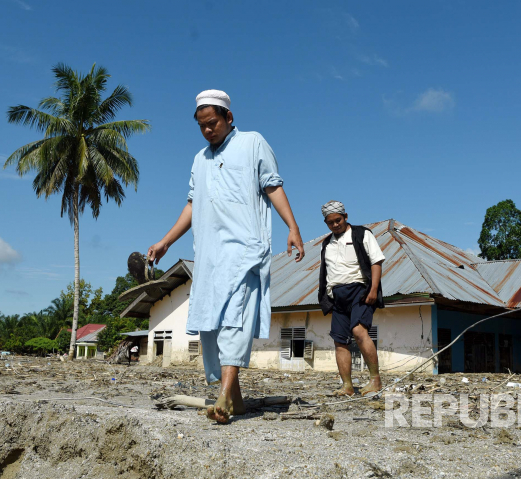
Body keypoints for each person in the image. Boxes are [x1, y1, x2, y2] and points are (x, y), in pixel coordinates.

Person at [148, 90, 304, 423]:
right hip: (209, 255)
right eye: (202, 126)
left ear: (229, 117)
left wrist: (292, 226)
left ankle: (223, 399)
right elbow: (192, 204)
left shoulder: (253, 143)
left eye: (213, 123)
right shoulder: (199, 159)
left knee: (235, 318)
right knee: (209, 325)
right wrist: (165, 242)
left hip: (244, 249)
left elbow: (272, 186)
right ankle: (236, 399)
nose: (208, 131)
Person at [317, 201, 385, 396]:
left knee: (359, 330)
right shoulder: (326, 243)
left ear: (345, 216)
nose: (335, 225)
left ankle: (375, 380)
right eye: (330, 222)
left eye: (338, 220)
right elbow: (326, 271)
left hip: (359, 290)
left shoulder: (362, 234)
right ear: (326, 223)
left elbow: (376, 261)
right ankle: (347, 386)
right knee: (339, 341)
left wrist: (373, 290)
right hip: (337, 296)